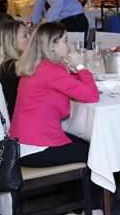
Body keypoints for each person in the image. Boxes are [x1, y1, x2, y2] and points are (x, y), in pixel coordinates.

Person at [10, 22, 98, 169]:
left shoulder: (40, 65)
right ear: (52, 46)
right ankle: (91, 192)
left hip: (22, 141)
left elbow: (71, 86)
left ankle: (78, 191)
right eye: (65, 40)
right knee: (96, 151)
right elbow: (92, 96)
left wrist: (75, 71)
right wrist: (81, 67)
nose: (68, 45)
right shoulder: (51, 71)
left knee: (87, 143)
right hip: (37, 147)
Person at [0, 19, 31, 117]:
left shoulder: (2, 64)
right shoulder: (12, 67)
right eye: (25, 35)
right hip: (21, 118)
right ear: (11, 41)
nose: (31, 38)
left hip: (13, 117)